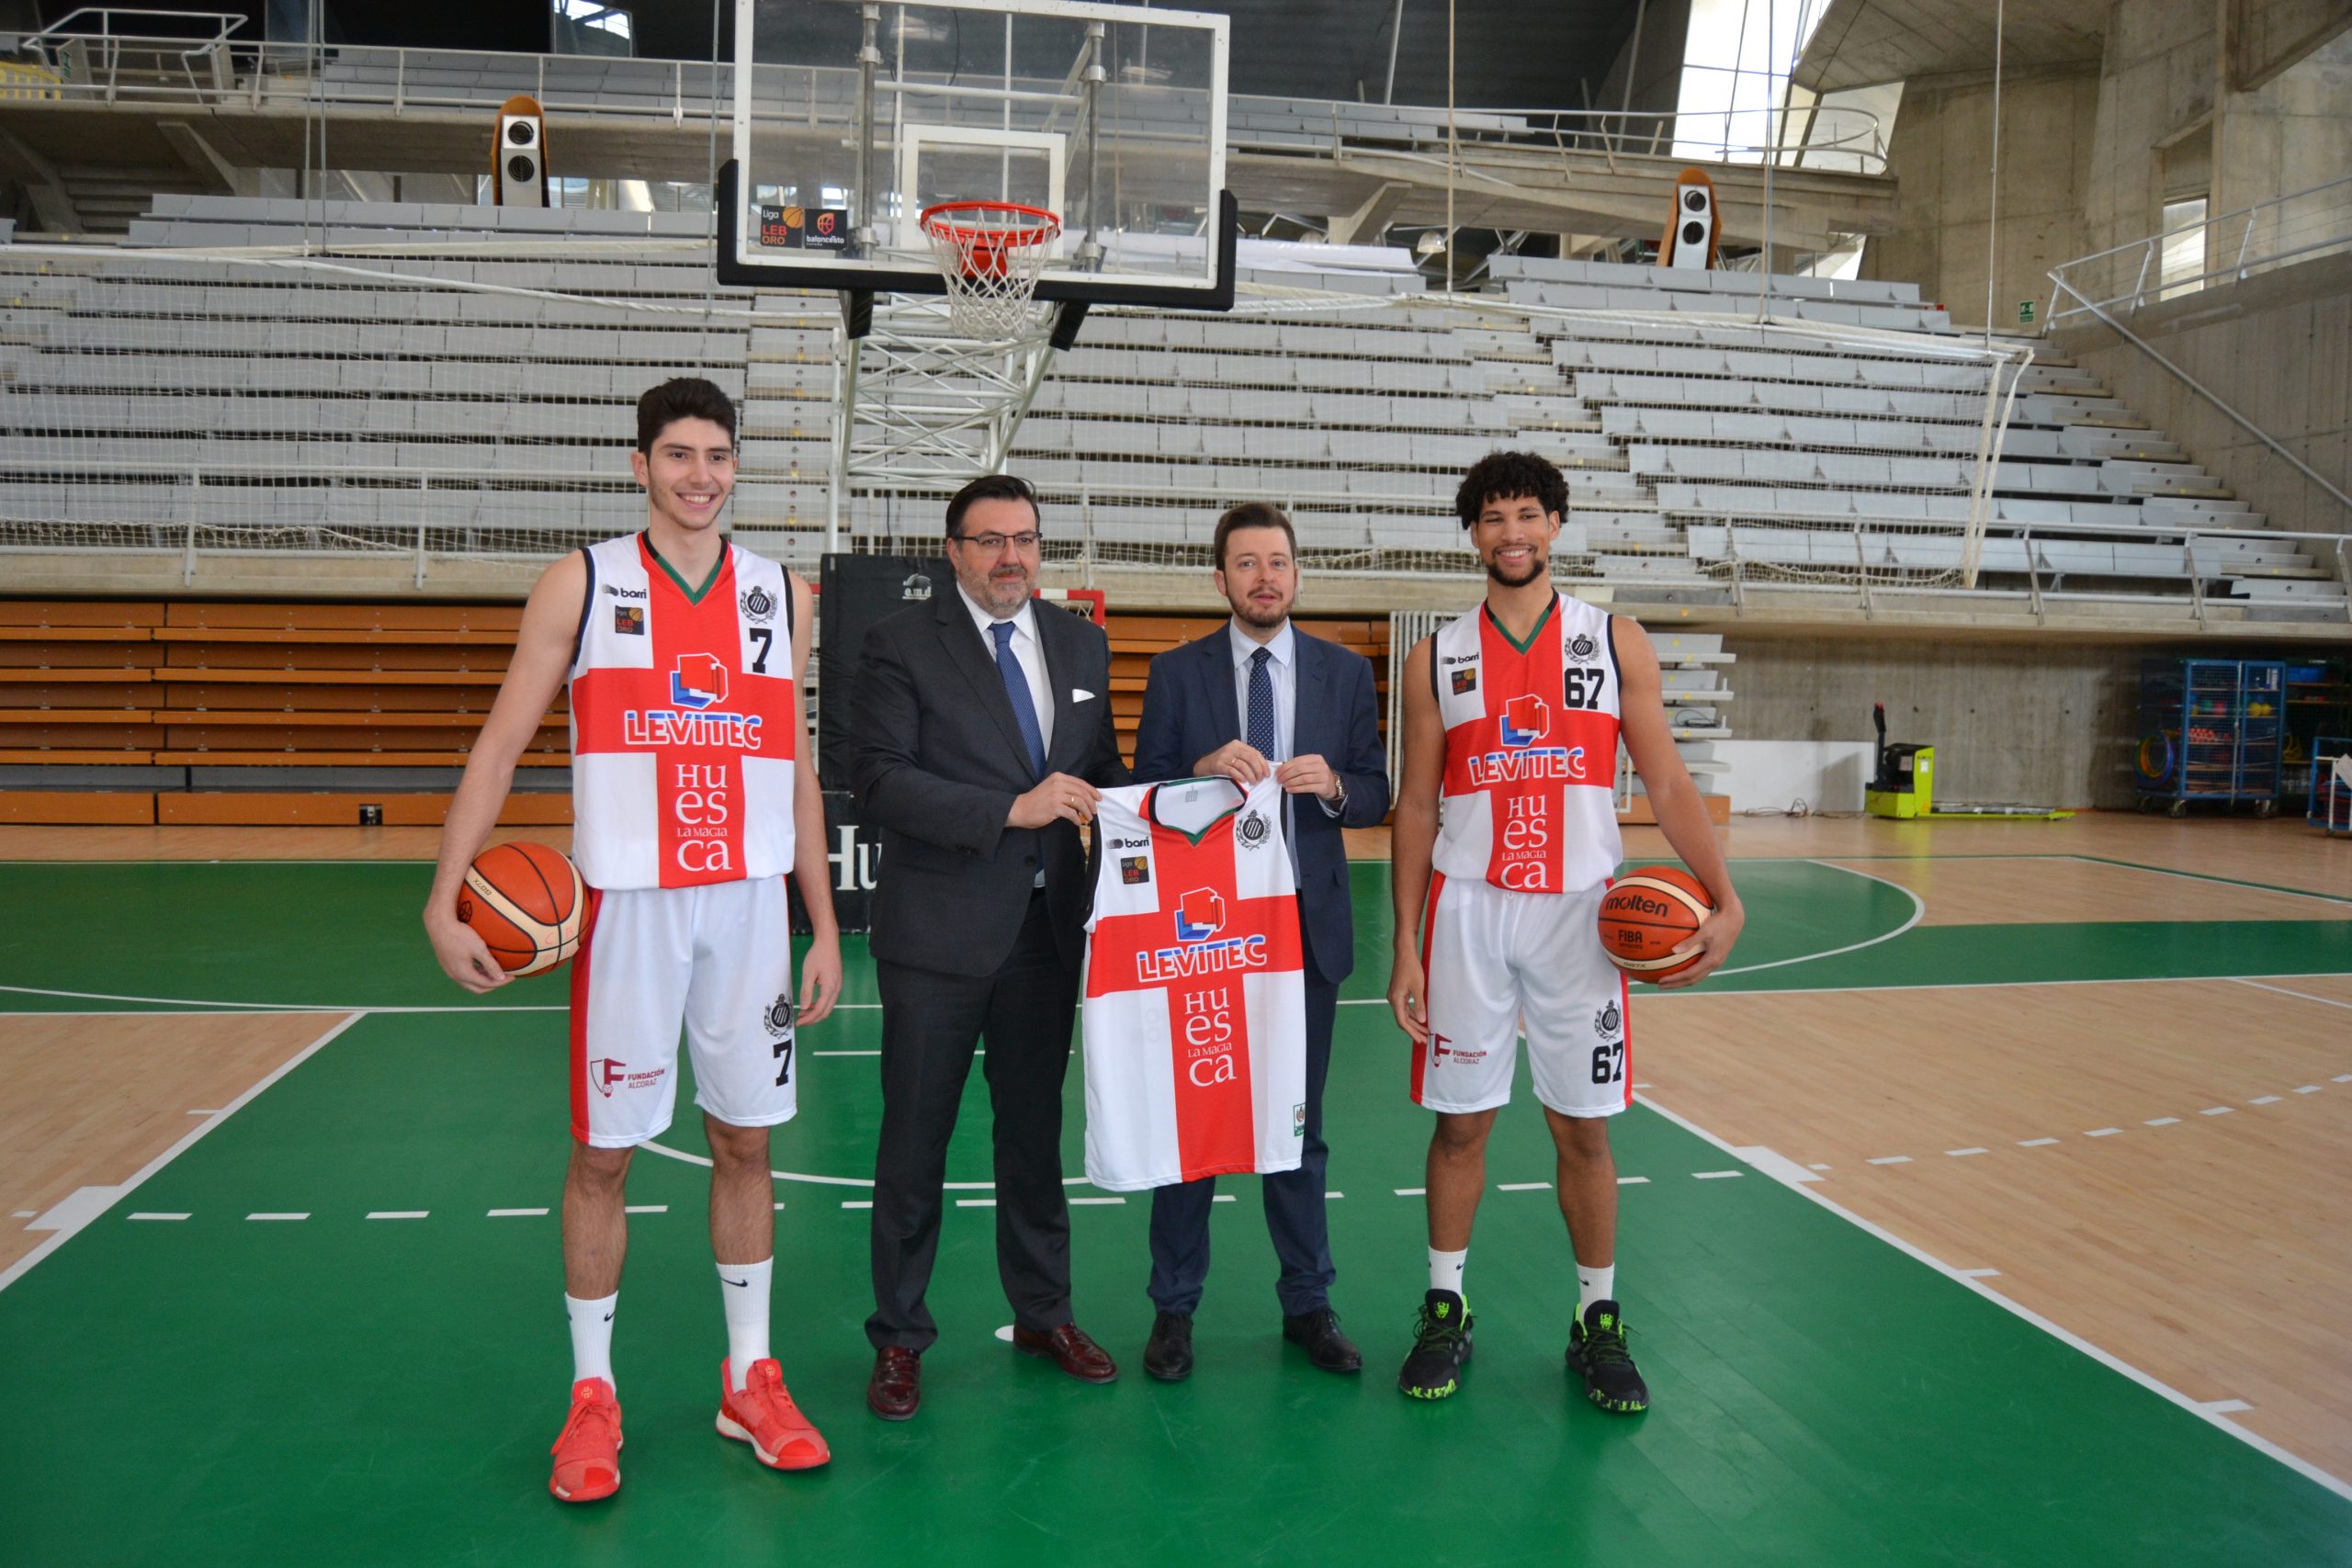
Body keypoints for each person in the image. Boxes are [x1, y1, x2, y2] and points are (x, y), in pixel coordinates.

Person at [423, 377, 841, 1503]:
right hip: (628, 910)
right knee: (604, 1156)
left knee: (746, 1144)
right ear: (640, 465)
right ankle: (592, 1395)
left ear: (736, 465)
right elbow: (503, 742)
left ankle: (749, 1375)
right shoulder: (584, 579)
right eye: (678, 456)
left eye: (717, 455)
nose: (700, 475)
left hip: (750, 906)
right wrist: (444, 890)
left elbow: (791, 769)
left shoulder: (780, 596)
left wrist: (822, 923)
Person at [1385, 450, 1743, 1411]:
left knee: (1580, 1128)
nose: (1512, 532)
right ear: (1472, 533)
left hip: (1582, 914)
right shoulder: (1435, 655)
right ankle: (1444, 1309)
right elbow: (1417, 803)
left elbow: (1664, 780)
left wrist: (1724, 894)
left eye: (1528, 515)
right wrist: (1405, 943)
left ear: (1554, 526)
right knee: (1460, 1124)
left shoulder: (1613, 639)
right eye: (1494, 516)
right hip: (1468, 908)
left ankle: (1597, 1318)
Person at [850, 473, 1131, 1419]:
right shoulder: (897, 646)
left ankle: (1044, 1313)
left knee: (1032, 1141)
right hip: (935, 941)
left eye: (1025, 538)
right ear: (955, 552)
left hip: (1045, 939)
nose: (1011, 556)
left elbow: (1105, 778)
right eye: (990, 540)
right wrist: (1007, 810)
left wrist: (1199, 782)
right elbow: (878, 781)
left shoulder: (1080, 641)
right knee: (912, 1145)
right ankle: (898, 1338)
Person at [1128, 502, 1390, 1380]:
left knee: (1298, 1124)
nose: (1265, 576)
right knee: (1194, 1125)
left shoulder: (1346, 673)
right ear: (1221, 579)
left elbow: (1380, 789)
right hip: (1205, 936)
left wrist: (1339, 787)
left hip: (1303, 933)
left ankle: (1308, 1303)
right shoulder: (1174, 673)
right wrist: (1196, 770)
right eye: (1247, 563)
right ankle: (1174, 1311)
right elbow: (1143, 793)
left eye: (1278, 561)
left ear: (1297, 573)